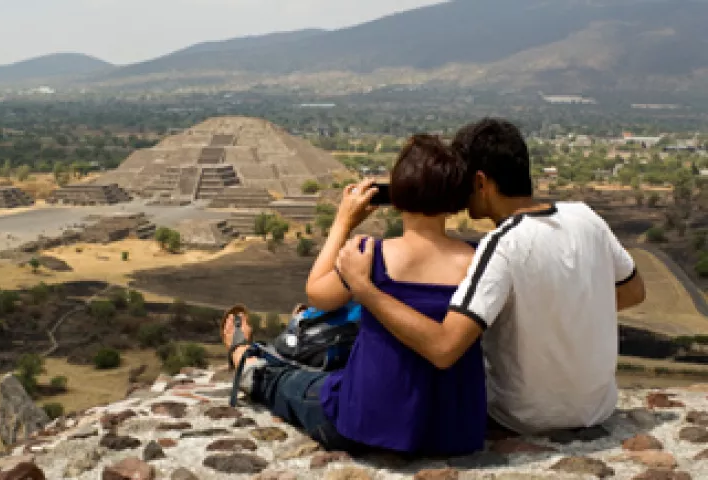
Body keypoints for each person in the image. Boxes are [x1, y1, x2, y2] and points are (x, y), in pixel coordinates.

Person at [335, 118, 647, 436]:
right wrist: (558, 315)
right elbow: (634, 292)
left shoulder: (501, 245)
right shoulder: (586, 217)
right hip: (597, 407)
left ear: (481, 183)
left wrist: (365, 288)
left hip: (521, 415)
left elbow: (444, 349)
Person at [221, 135, 487, 455]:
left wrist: (343, 222)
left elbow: (318, 291)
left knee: (289, 382)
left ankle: (244, 359)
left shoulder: (371, 256)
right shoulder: (480, 261)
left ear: (397, 196)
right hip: (453, 431)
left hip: (365, 424)